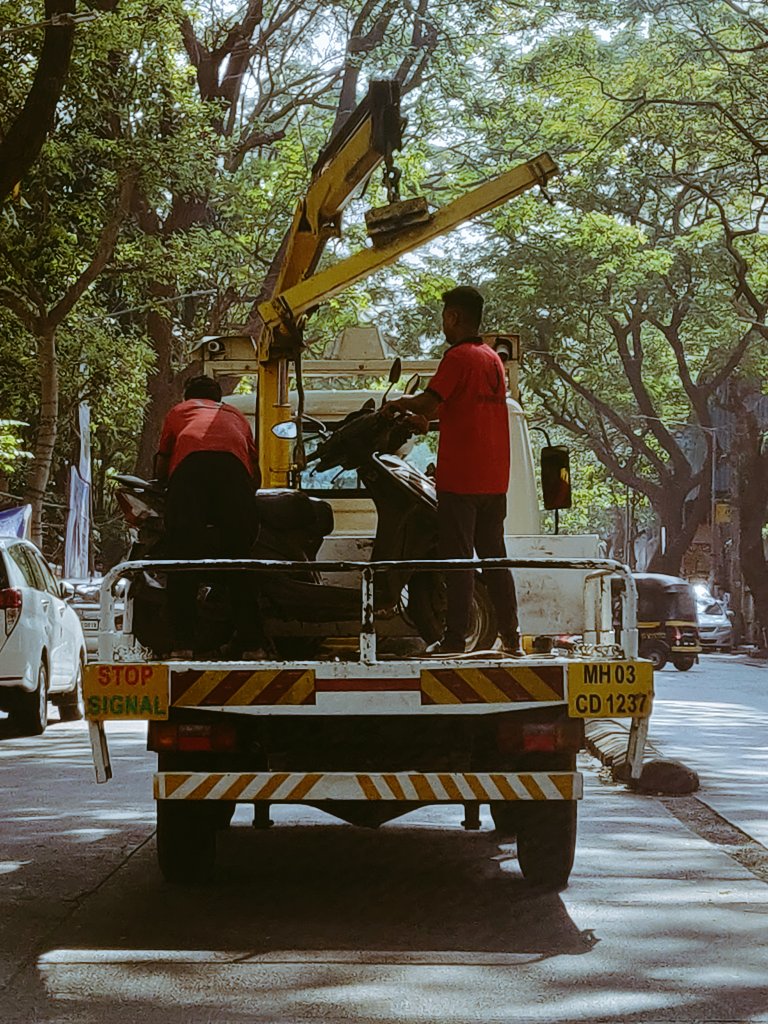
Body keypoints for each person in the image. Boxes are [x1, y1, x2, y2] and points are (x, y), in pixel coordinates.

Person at [385, 285, 522, 656]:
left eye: (444, 316)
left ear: (453, 317)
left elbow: (430, 401)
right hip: (494, 481)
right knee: (495, 559)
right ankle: (512, 637)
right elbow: (460, 411)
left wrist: (397, 405)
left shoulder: (458, 357)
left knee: (456, 560)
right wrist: (425, 420)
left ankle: (454, 639)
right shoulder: (492, 359)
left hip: (461, 479)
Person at [155, 375, 261, 657]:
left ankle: (182, 645)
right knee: (240, 560)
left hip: (190, 473)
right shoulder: (234, 414)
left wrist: (164, 489)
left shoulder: (179, 411)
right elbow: (254, 467)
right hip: (234, 474)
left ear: (188, 397)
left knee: (183, 559)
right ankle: (253, 645)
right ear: (219, 399)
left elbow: (163, 459)